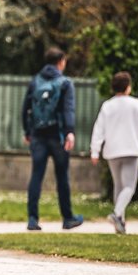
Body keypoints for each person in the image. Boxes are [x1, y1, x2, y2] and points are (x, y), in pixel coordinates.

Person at [22, 47, 84, 231]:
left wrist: (28, 132)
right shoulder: (65, 83)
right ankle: (68, 218)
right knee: (62, 177)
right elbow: (68, 110)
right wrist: (70, 132)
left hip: (38, 136)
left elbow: (25, 109)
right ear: (61, 62)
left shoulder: (35, 82)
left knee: (36, 176)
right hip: (58, 136)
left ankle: (33, 219)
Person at [90, 71, 138, 234]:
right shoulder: (136, 104)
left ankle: (120, 223)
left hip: (112, 151)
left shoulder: (107, 105)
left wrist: (95, 151)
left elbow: (99, 129)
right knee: (129, 187)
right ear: (128, 87)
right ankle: (117, 214)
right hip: (131, 150)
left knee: (119, 187)